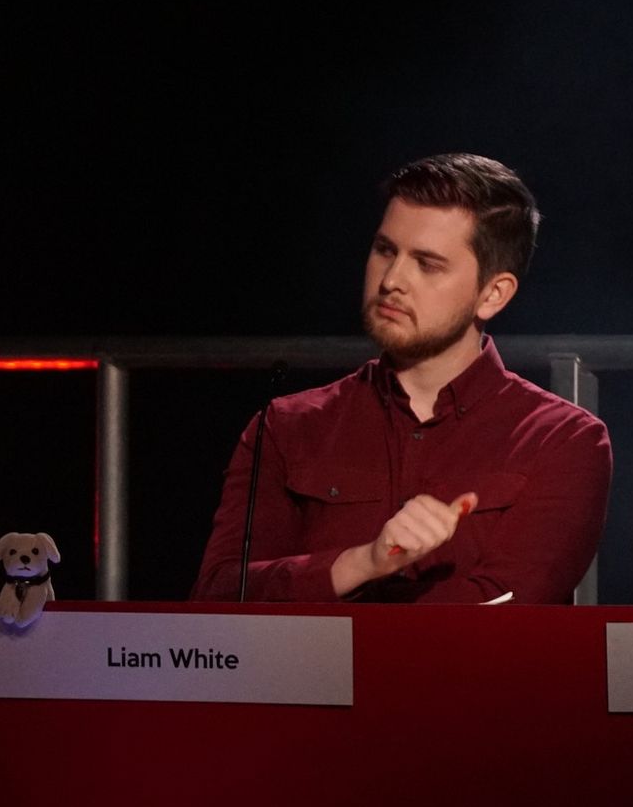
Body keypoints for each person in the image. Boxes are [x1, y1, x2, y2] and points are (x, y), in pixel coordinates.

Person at [192, 153, 611, 604]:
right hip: (309, 677)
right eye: (385, 250)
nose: (392, 280)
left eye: (427, 264)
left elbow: (513, 604)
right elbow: (218, 597)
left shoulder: (563, 441)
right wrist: (362, 563)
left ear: (492, 294)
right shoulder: (286, 426)